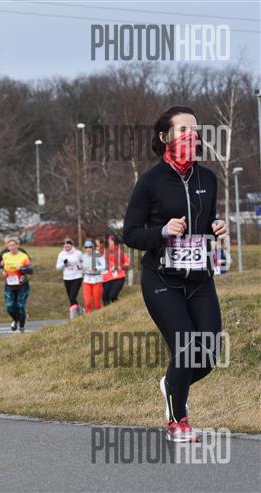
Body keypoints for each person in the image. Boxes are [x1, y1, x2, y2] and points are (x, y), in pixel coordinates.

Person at [123, 105, 228, 442]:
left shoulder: (207, 178)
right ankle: (177, 421)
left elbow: (206, 221)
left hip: (199, 279)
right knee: (185, 347)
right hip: (162, 279)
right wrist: (163, 231)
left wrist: (216, 226)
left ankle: (171, 383)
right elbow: (130, 234)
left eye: (195, 130)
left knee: (207, 355)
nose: (191, 135)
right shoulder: (150, 182)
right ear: (164, 136)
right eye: (183, 130)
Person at [0, 237, 33, 332]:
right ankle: (16, 320)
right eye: (10, 245)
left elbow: (30, 270)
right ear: (7, 247)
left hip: (22, 284)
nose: (12, 247)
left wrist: (22, 268)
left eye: (13, 245)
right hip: (10, 285)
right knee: (9, 306)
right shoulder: (5, 256)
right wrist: (3, 272)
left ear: (17, 246)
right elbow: (1, 267)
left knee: (20, 306)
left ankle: (21, 326)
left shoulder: (23, 256)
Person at [55, 237, 84, 319]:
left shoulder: (78, 253)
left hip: (77, 276)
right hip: (67, 277)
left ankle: (73, 316)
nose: (66, 247)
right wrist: (64, 264)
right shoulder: (61, 254)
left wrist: (80, 266)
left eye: (68, 246)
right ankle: (80, 310)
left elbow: (84, 262)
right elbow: (58, 268)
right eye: (65, 246)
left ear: (71, 245)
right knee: (71, 298)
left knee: (72, 297)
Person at [101, 235, 130, 305]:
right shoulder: (105, 252)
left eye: (112, 241)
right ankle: (107, 310)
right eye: (109, 241)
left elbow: (127, 264)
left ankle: (119, 306)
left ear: (115, 242)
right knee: (104, 297)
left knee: (112, 296)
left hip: (119, 277)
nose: (110, 242)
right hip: (108, 278)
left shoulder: (120, 252)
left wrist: (120, 267)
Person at [81, 240, 106, 313]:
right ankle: (88, 316)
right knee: (87, 302)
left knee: (97, 303)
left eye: (90, 247)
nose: (88, 249)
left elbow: (105, 266)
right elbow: (81, 267)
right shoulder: (83, 256)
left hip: (97, 280)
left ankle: (101, 314)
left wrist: (95, 268)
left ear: (93, 247)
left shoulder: (97, 255)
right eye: (86, 247)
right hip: (87, 280)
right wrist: (80, 267)